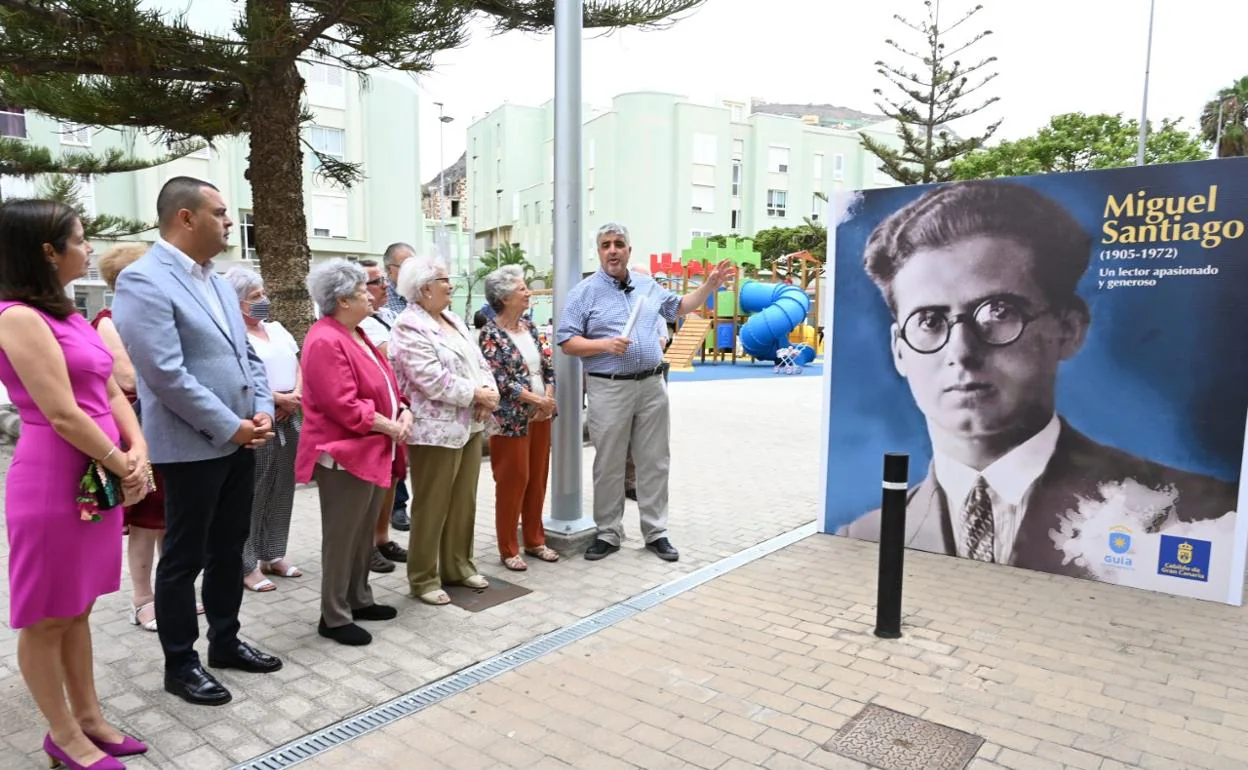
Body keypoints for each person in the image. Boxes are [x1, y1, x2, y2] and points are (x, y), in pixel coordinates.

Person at [842, 180, 1236, 573]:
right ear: (899, 349)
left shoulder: (1200, 514)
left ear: (1068, 329)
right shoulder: (864, 535)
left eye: (998, 312)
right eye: (929, 320)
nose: (961, 351)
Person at [112, 176, 282, 708]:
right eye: (221, 212)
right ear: (185, 218)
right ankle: (180, 664)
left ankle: (226, 643)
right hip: (191, 446)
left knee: (229, 547)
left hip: (239, 440)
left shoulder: (215, 279)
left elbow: (247, 357)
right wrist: (230, 425)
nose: (230, 222)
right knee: (184, 557)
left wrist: (261, 409)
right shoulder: (143, 280)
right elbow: (163, 374)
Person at [0, 199, 151, 769]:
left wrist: (139, 451)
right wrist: (122, 462)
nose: (89, 249)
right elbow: (62, 414)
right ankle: (62, 734)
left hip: (99, 466)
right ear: (48, 250)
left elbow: (112, 391)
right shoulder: (16, 317)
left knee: (80, 607)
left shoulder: (69, 315)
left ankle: (90, 719)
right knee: (48, 615)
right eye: (81, 239)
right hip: (54, 478)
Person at [556, 222, 734, 562]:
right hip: (609, 388)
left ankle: (656, 532)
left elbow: (678, 307)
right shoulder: (585, 292)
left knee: (655, 461)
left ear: (628, 250)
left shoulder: (647, 285)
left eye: (618, 244)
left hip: (652, 385)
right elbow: (567, 341)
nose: (612, 250)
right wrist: (605, 344)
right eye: (606, 244)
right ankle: (608, 533)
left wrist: (709, 286)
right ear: (599, 251)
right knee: (608, 463)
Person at [297, 259, 410, 645]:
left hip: (373, 448)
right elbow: (342, 403)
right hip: (344, 454)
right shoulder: (325, 338)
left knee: (363, 533)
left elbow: (387, 382)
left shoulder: (356, 331)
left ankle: (360, 598)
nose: (371, 295)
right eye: (364, 290)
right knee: (342, 536)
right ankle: (334, 614)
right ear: (343, 300)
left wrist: (404, 408)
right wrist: (389, 424)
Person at [390, 254, 500, 605]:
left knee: (463, 502)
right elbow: (431, 380)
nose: (450, 284)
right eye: (443, 279)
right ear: (424, 289)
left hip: (469, 424)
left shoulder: (452, 318)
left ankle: (459, 566)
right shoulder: (409, 325)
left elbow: (478, 361)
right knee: (432, 504)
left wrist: (488, 392)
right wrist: (476, 394)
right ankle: (423, 577)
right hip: (434, 430)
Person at [94, 243, 172, 633]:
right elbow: (127, 380)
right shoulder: (108, 320)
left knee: (169, 518)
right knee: (147, 520)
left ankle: (171, 592)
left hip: (167, 430)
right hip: (139, 434)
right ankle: (142, 599)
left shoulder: (147, 315)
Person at [224, 267, 304, 593]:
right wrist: (278, 400)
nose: (263, 301)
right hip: (259, 417)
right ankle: (246, 564)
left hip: (290, 417)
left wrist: (294, 397)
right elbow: (240, 377)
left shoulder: (277, 328)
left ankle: (274, 553)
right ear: (237, 302)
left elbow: (298, 362)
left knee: (282, 488)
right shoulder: (232, 334)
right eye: (255, 297)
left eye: (262, 294)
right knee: (253, 492)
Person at [478, 266, 559, 571]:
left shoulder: (530, 326)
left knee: (537, 479)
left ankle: (535, 540)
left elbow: (547, 366)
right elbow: (499, 378)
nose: (528, 293)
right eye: (522, 289)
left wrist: (548, 399)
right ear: (504, 296)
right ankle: (508, 547)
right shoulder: (490, 333)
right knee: (514, 481)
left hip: (541, 415)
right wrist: (537, 400)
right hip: (511, 419)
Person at [357, 258, 409, 572]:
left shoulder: (385, 315)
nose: (384, 287)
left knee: (390, 478)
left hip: (395, 409)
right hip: (373, 416)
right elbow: (394, 354)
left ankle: (381, 538)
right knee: (372, 483)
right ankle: (365, 546)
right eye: (377, 282)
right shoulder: (359, 322)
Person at [623, 263, 671, 501]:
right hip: (622, 381)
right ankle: (622, 482)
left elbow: (663, 338)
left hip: (653, 375)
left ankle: (635, 483)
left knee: (647, 437)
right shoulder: (620, 307)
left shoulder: (654, 308)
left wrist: (655, 341)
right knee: (622, 435)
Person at [381, 242, 416, 530]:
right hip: (392, 385)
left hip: (417, 384)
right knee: (397, 449)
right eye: (405, 265)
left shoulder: (416, 295)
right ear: (390, 270)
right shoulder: (384, 300)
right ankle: (397, 506)